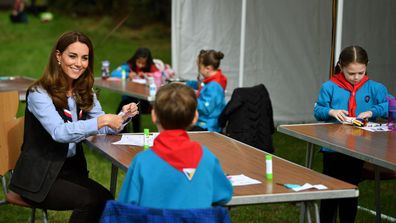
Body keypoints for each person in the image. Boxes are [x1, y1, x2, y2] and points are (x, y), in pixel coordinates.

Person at [9, 31, 139, 223]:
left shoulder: (85, 92)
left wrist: (121, 117)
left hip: (70, 171)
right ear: (58, 56)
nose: (79, 63)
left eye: (84, 58)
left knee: (107, 201)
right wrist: (101, 121)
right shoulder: (39, 93)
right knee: (91, 202)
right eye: (73, 56)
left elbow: (103, 128)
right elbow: (59, 132)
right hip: (40, 176)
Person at [118, 83, 233, 209]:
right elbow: (224, 194)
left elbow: (124, 206)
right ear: (195, 117)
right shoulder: (207, 158)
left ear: (154, 115)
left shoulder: (142, 162)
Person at [314, 45, 392, 223]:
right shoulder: (329, 87)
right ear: (341, 67)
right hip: (333, 148)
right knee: (330, 190)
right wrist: (331, 112)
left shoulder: (375, 88)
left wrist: (373, 111)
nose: (356, 78)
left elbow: (391, 105)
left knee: (350, 190)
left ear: (367, 66)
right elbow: (318, 110)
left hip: (359, 148)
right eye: (351, 73)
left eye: (360, 73)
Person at [111, 47, 161, 133]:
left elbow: (159, 75)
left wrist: (146, 75)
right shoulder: (130, 66)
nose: (140, 65)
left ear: (147, 62)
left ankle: (134, 131)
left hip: (146, 100)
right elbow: (114, 73)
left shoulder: (151, 67)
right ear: (135, 60)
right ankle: (124, 130)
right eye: (139, 62)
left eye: (143, 63)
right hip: (130, 97)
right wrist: (128, 74)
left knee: (133, 106)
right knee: (129, 105)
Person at [186, 49, 227, 132]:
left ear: (208, 68)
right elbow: (202, 85)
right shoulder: (212, 80)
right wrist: (187, 84)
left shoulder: (214, 86)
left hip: (208, 126)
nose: (199, 70)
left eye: (199, 67)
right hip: (204, 122)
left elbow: (205, 108)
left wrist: (189, 99)